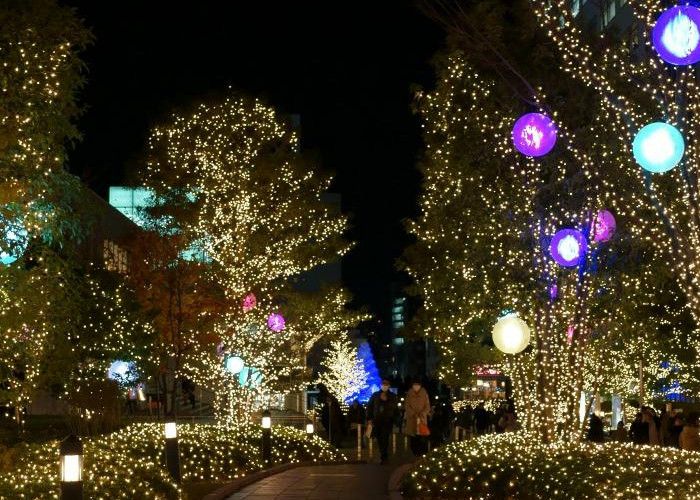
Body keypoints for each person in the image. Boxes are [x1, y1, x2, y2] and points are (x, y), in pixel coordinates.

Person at [367, 379, 398, 464]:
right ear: (381, 385)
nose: (384, 385)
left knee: (385, 438)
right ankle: (383, 454)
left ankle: (384, 456)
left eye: (386, 384)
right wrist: (369, 418)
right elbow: (370, 407)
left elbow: (394, 408)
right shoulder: (375, 395)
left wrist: (386, 401)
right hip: (377, 421)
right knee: (379, 438)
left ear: (389, 385)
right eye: (383, 384)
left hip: (387, 421)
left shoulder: (392, 396)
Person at [404, 379, 431, 456]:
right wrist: (413, 413)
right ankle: (415, 452)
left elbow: (427, 406)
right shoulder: (409, 393)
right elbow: (407, 405)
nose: (416, 386)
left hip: (421, 418)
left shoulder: (424, 393)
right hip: (412, 418)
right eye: (414, 385)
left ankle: (422, 452)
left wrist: (422, 413)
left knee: (422, 436)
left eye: (417, 384)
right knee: (413, 436)